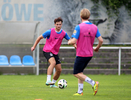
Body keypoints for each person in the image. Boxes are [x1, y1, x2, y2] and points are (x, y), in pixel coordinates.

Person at [68, 8, 103, 96]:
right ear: (89, 16)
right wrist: (97, 48)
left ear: (80, 16)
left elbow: (73, 41)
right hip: (89, 54)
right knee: (80, 73)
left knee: (76, 73)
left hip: (81, 54)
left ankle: (93, 83)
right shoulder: (94, 27)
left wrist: (69, 42)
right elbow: (101, 40)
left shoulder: (79, 27)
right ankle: (80, 92)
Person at [31, 17, 70, 88]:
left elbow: (70, 40)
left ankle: (52, 84)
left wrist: (75, 45)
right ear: (55, 24)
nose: (58, 26)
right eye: (57, 24)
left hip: (55, 52)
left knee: (59, 70)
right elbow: (39, 37)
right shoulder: (49, 31)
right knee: (53, 62)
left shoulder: (64, 33)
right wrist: (34, 46)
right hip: (47, 50)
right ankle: (48, 80)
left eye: (60, 24)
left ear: (62, 24)